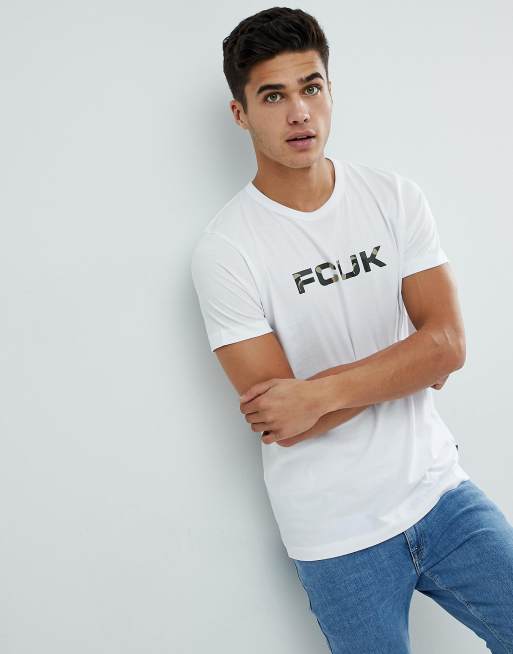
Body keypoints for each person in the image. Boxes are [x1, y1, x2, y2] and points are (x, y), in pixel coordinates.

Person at [190, 7, 513, 652]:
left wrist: (320, 392)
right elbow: (284, 418)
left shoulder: (394, 198)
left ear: (331, 90)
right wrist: (407, 364)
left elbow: (448, 345)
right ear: (240, 113)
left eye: (311, 87)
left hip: (440, 494)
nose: (299, 113)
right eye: (272, 96)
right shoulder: (226, 250)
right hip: (336, 536)